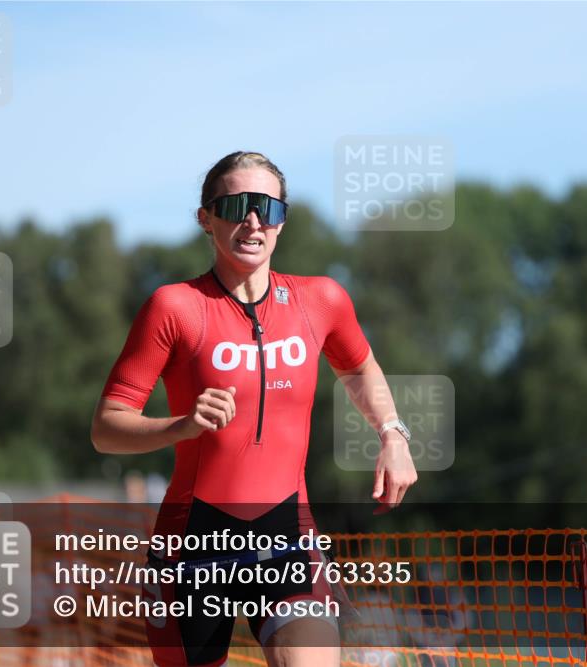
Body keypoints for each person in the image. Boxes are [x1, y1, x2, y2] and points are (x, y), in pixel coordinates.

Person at [91, 151, 418, 667]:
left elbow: (360, 371)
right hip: (192, 545)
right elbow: (106, 429)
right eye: (237, 204)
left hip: (289, 537)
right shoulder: (174, 307)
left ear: (283, 220)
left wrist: (393, 435)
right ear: (206, 217)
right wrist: (180, 426)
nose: (253, 220)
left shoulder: (322, 300)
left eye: (268, 207)